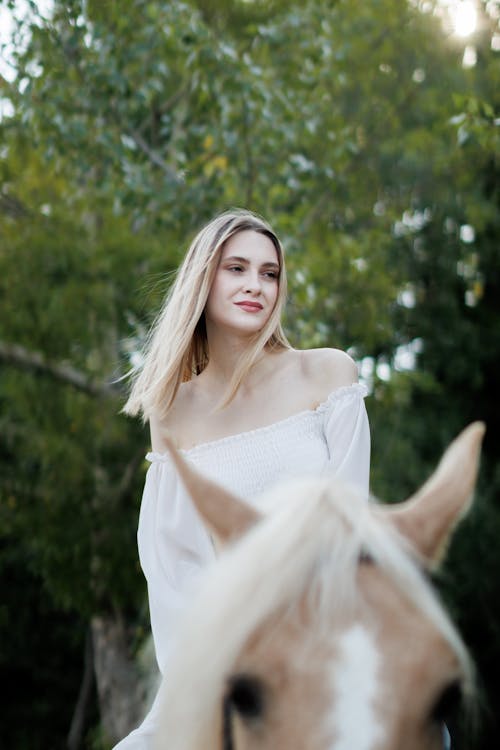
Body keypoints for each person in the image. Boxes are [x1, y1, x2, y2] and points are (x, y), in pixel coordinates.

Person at [114, 208, 370, 749]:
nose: (256, 285)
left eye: (269, 273)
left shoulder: (328, 374)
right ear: (202, 279)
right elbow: (174, 573)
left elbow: (349, 530)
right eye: (236, 268)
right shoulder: (171, 414)